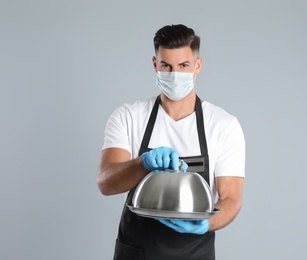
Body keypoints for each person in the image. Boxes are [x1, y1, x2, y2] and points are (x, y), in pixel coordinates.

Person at [97, 24, 245, 260]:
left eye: (183, 65)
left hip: (196, 253)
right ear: (155, 65)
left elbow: (231, 199)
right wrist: (143, 163)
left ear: (198, 66)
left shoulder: (223, 125)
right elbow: (106, 183)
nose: (174, 74)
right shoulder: (128, 116)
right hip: (137, 253)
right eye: (166, 66)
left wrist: (207, 224)